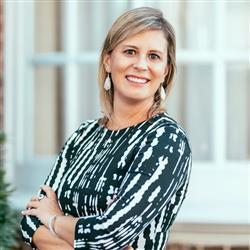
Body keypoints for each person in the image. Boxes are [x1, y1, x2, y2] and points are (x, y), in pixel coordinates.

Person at [20, 7, 192, 250]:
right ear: (108, 60)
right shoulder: (83, 136)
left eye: (154, 56)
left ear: (165, 71)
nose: (141, 65)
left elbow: (110, 233)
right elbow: (29, 221)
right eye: (130, 51)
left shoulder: (166, 140)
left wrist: (54, 219)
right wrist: (85, 235)